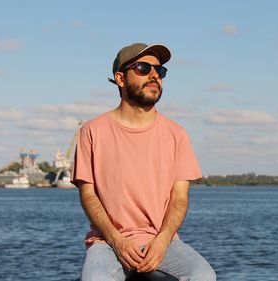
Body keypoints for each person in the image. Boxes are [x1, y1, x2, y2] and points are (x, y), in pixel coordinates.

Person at [71, 42, 216, 281]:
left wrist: (161, 241)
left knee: (203, 276)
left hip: (162, 241)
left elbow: (180, 199)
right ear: (120, 78)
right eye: (142, 68)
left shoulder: (177, 134)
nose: (154, 75)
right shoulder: (92, 131)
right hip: (107, 243)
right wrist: (117, 241)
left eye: (160, 71)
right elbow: (88, 195)